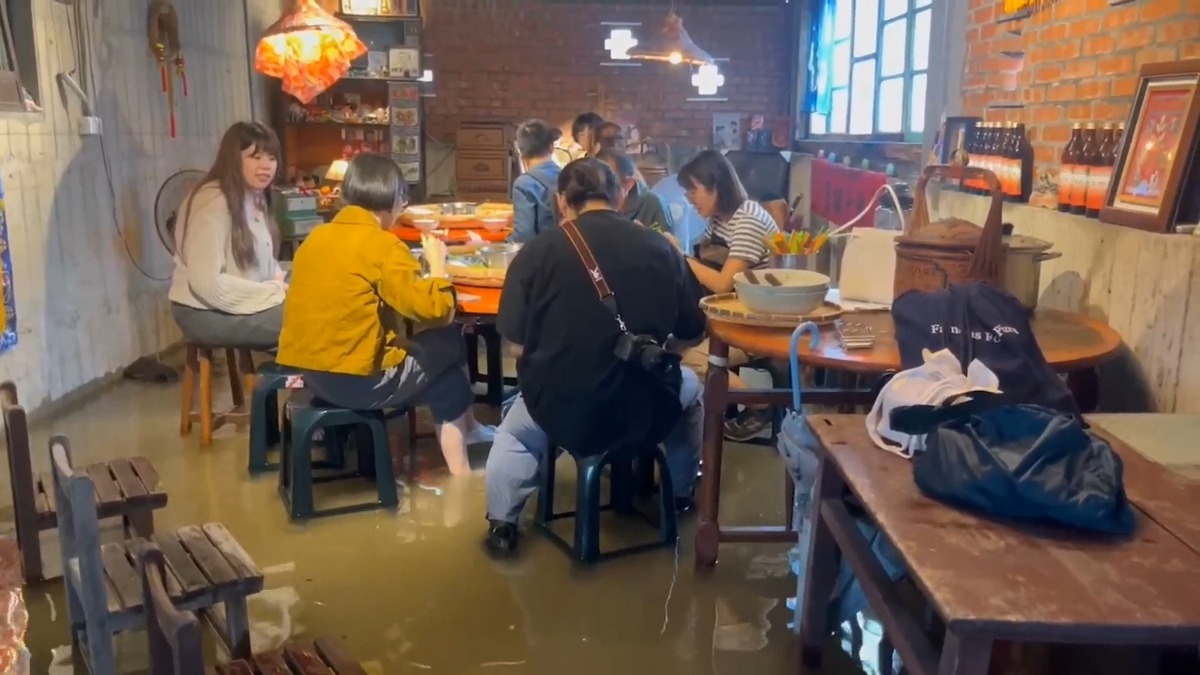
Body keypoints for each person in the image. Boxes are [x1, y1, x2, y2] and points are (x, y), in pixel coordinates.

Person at [484, 158, 708, 556]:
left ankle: (502, 524)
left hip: (562, 406)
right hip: (645, 405)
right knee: (692, 394)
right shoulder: (661, 247)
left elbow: (517, 345)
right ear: (621, 194)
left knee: (516, 431)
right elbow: (691, 333)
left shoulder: (537, 252)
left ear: (561, 201)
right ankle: (678, 496)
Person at [276, 153, 493, 476]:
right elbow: (435, 311)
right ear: (393, 199)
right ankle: (465, 460)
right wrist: (437, 267)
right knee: (449, 338)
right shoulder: (383, 246)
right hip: (361, 383)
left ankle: (463, 464)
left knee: (446, 382)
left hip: (313, 377)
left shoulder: (315, 239)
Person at [669, 149, 780, 442]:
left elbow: (721, 283)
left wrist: (677, 255)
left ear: (715, 185)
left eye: (693, 190)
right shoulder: (721, 219)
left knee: (691, 362)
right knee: (665, 350)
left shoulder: (748, 220)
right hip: (726, 314)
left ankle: (766, 404)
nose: (690, 198)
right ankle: (713, 411)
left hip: (755, 322)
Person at [169, 121, 287, 350]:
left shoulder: (253, 195)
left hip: (244, 297)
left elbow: (264, 255)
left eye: (271, 158)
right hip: (203, 313)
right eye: (255, 157)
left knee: (317, 301)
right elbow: (207, 284)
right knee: (309, 322)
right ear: (233, 159)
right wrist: (273, 291)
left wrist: (279, 281)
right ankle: (277, 384)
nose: (266, 166)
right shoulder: (214, 203)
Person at [510, 119, 562, 244]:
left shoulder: (524, 183)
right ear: (551, 147)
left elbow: (524, 236)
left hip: (542, 255)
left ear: (520, 152)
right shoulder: (568, 175)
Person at [594, 147, 670, 232]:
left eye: (608, 184)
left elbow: (665, 242)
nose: (599, 191)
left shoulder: (652, 204)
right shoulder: (588, 202)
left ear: (628, 184)